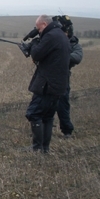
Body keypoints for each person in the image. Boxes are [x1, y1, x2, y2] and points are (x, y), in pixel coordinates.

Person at [24, 14, 70, 153]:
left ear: (44, 24)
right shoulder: (61, 35)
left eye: (38, 28)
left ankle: (37, 148)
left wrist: (32, 46)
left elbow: (37, 54)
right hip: (58, 84)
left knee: (34, 113)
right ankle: (44, 148)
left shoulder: (51, 36)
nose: (38, 31)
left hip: (47, 84)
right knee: (47, 116)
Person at [54, 15, 83, 139]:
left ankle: (67, 131)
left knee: (62, 105)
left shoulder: (74, 43)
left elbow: (77, 57)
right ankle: (41, 130)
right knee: (43, 105)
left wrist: (61, 55)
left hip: (62, 78)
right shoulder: (50, 41)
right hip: (45, 78)